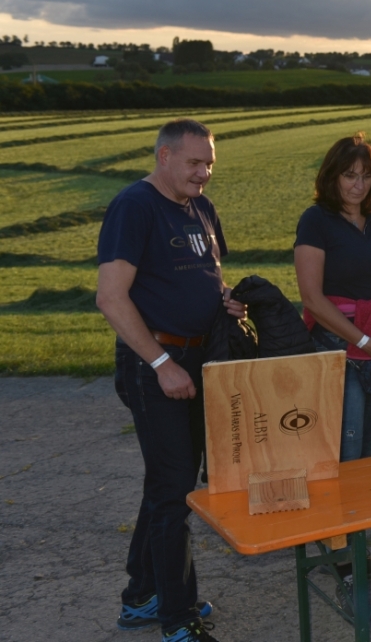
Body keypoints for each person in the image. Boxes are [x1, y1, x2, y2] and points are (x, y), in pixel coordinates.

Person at [97, 119, 245, 642]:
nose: (203, 173)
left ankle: (142, 597)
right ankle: (178, 620)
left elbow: (210, 273)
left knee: (169, 481)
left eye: (209, 164)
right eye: (193, 163)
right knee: (175, 491)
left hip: (199, 361)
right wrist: (162, 364)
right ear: (164, 157)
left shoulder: (200, 208)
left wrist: (225, 301)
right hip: (155, 365)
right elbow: (111, 297)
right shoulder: (134, 207)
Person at [294, 133, 371, 464]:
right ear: (332, 176)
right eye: (349, 175)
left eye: (366, 176)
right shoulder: (316, 220)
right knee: (345, 452)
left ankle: (360, 513)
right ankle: (339, 514)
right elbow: (312, 298)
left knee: (367, 453)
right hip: (338, 348)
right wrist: (363, 341)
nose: (358, 185)